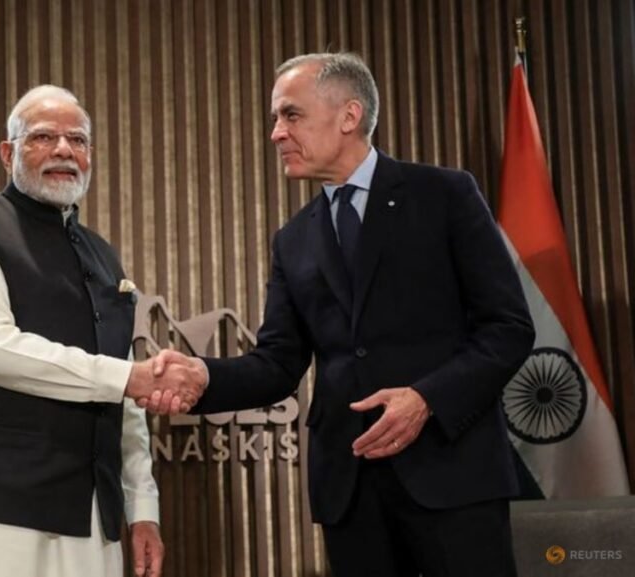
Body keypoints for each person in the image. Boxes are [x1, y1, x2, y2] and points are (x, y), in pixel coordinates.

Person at [148, 53, 535, 576]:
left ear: (349, 116)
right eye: (275, 118)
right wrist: (203, 376)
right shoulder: (293, 239)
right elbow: (278, 363)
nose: (276, 133)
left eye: (291, 115)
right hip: (351, 493)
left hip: (453, 475)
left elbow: (507, 327)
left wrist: (426, 399)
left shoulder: (444, 195)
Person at [0, 85, 202, 577]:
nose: (63, 150)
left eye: (77, 140)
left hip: (94, 512)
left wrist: (142, 508)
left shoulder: (103, 255)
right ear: (7, 153)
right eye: (42, 137)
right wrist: (129, 378)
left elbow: (125, 393)